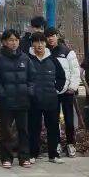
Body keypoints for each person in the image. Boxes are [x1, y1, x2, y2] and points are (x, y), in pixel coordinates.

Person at [0, 29, 34, 168]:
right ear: (4, 42)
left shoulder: (25, 58)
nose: (14, 43)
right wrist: (2, 94)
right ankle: (6, 157)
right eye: (10, 40)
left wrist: (29, 91)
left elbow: (32, 78)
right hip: (6, 101)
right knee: (6, 130)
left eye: (16, 40)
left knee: (23, 130)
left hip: (22, 100)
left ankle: (24, 157)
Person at [27, 32, 63, 163]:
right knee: (33, 128)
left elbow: (61, 77)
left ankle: (53, 155)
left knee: (53, 127)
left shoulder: (53, 59)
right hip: (33, 100)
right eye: (36, 42)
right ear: (32, 44)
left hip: (51, 99)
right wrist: (29, 92)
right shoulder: (27, 59)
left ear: (45, 43)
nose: (39, 45)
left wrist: (56, 89)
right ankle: (32, 154)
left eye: (42, 42)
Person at [48, 28, 81, 157]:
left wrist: (72, 87)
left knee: (69, 119)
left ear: (57, 36)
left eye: (53, 36)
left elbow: (75, 71)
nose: (50, 38)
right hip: (52, 92)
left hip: (67, 92)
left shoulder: (67, 51)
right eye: (48, 36)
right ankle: (56, 143)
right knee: (53, 120)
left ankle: (70, 143)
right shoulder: (45, 52)